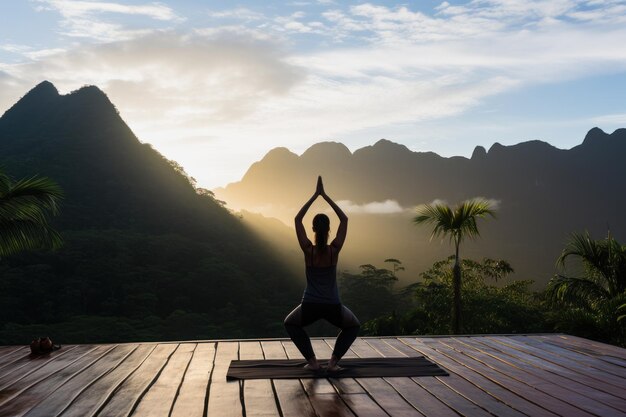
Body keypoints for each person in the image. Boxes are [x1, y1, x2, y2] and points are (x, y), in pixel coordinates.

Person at [284, 176, 360, 372]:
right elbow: (344, 219)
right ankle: (333, 363)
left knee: (290, 323)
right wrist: (325, 196)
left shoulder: (308, 251)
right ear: (328, 230)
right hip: (332, 304)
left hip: (310, 304)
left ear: (313, 229)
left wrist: (314, 196)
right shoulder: (334, 250)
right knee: (353, 326)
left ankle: (313, 363)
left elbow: (297, 219)